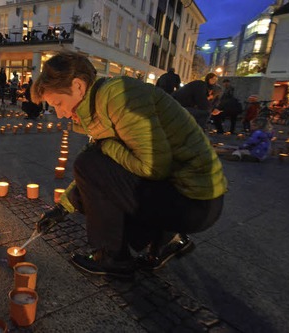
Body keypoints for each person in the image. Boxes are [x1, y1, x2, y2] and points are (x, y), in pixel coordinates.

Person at [31, 51, 226, 277]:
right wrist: (61, 208)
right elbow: (105, 175)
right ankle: (164, 238)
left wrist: (104, 146)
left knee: (89, 162)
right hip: (185, 195)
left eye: (58, 103)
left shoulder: (120, 96)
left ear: (77, 86)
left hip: (195, 202)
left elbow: (152, 167)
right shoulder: (101, 102)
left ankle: (113, 258)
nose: (60, 114)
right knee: (92, 173)